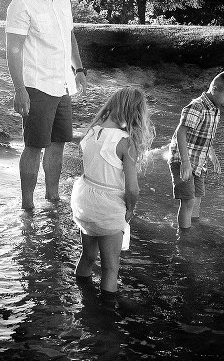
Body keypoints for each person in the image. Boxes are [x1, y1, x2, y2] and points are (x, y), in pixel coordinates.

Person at [5, 0, 87, 210]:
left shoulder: (63, 1)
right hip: (36, 85)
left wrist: (79, 68)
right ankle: (27, 205)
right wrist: (20, 90)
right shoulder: (22, 3)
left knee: (59, 143)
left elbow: (70, 36)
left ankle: (52, 197)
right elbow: (13, 49)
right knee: (34, 146)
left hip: (62, 84)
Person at [71, 87, 154, 297]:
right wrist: (130, 209)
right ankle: (106, 318)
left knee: (87, 257)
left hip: (84, 199)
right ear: (135, 113)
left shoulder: (92, 131)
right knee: (110, 268)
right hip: (107, 205)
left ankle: (82, 296)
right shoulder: (126, 142)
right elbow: (132, 188)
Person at [169, 70, 224, 229]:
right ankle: (184, 235)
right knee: (188, 200)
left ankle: (193, 226)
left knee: (197, 198)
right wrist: (185, 162)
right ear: (215, 89)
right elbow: (181, 133)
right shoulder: (197, 106)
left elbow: (206, 137)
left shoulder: (215, 109)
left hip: (199, 161)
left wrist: (213, 156)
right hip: (183, 159)